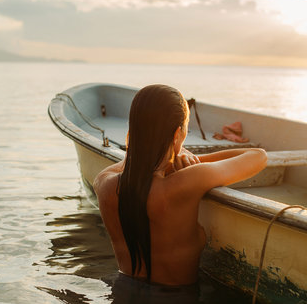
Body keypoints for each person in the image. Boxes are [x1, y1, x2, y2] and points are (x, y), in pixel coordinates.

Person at [93, 84, 267, 286]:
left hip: (123, 295)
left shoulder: (104, 184)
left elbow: (126, 165)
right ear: (177, 135)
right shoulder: (189, 180)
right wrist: (190, 158)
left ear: (133, 131)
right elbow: (258, 157)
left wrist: (156, 153)